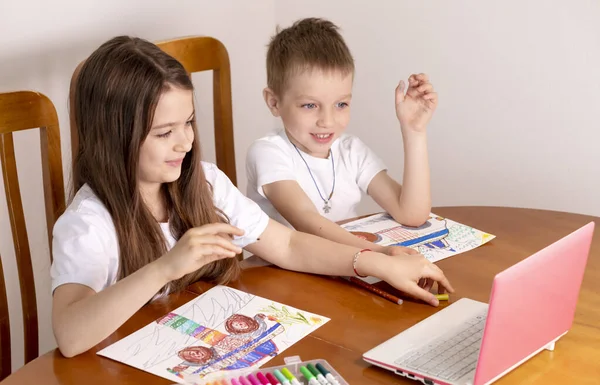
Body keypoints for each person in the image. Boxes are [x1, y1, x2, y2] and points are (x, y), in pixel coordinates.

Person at [51, 35, 453, 358]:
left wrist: (373, 263)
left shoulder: (204, 184)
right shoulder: (88, 223)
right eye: (164, 132)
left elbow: (289, 244)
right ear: (113, 137)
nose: (186, 143)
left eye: (188, 123)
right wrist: (164, 268)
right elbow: (69, 335)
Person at [246, 18, 436, 256]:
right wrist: (378, 253)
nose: (327, 120)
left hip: (347, 264)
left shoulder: (350, 150)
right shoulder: (267, 153)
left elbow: (412, 214)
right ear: (274, 102)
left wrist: (414, 131)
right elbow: (307, 222)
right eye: (309, 105)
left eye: (341, 104)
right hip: (283, 275)